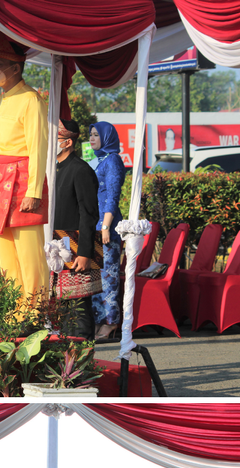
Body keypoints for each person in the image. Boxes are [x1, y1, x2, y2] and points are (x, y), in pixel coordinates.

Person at [0, 33, 49, 303]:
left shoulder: (31, 99)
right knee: (7, 255)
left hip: (22, 184)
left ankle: (37, 312)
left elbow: (38, 148)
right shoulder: (2, 99)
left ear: (15, 68)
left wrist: (35, 191)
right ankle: (15, 313)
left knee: (29, 255)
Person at [52, 118, 100, 338]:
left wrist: (84, 252)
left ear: (67, 142)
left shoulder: (80, 170)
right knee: (61, 310)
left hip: (75, 247)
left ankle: (82, 362)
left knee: (78, 308)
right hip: (56, 248)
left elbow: (88, 215)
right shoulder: (55, 170)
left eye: (55, 138)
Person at [88, 122, 126, 342]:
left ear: (106, 137)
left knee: (108, 278)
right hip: (96, 226)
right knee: (97, 278)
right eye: (91, 135)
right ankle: (98, 320)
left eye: (96, 135)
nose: (92, 138)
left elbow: (112, 196)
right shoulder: (101, 160)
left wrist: (105, 226)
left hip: (107, 228)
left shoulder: (113, 161)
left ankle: (110, 322)